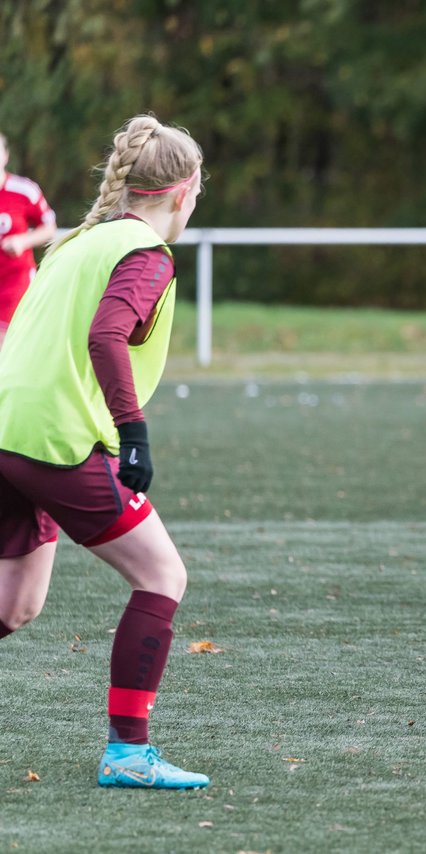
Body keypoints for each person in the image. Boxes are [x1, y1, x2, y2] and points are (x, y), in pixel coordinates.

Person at [0, 114, 209, 788]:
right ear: (184, 191)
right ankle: (128, 754)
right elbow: (105, 336)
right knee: (163, 576)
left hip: (10, 430)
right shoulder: (144, 253)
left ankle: (128, 752)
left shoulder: (76, 242)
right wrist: (134, 432)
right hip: (55, 441)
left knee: (15, 607)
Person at [0, 131, 58, 351]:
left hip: (15, 281)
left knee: (7, 342)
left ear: (5, 156)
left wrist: (22, 241)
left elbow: (49, 227)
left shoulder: (24, 190)